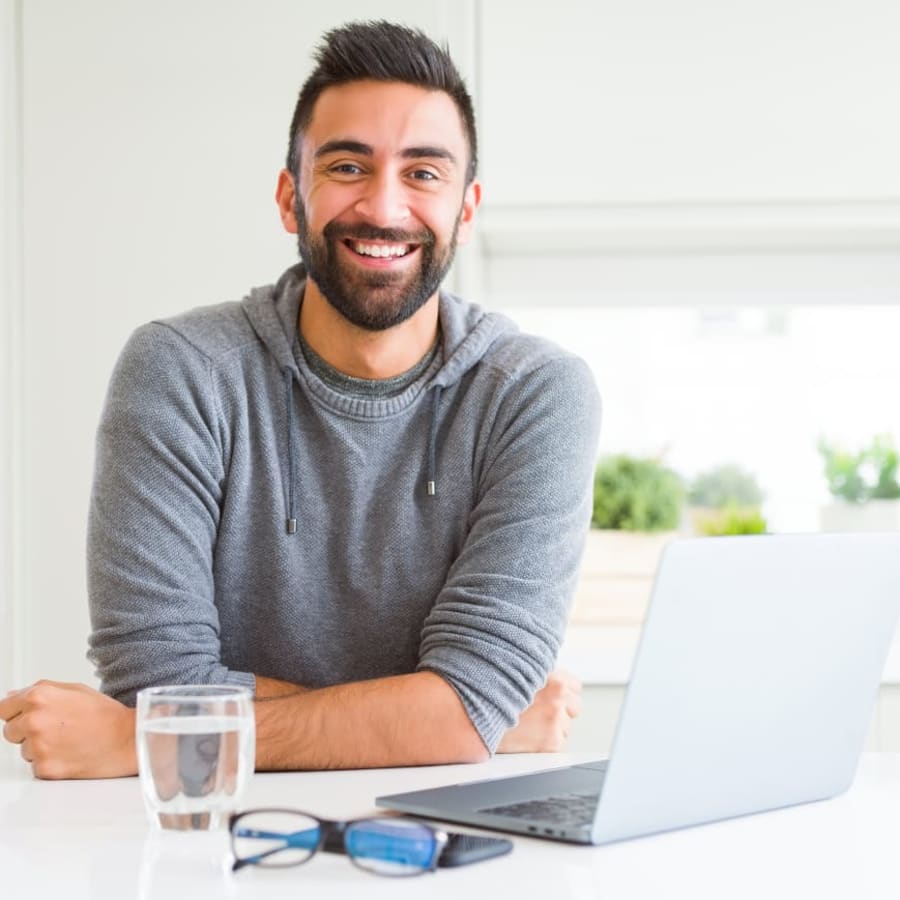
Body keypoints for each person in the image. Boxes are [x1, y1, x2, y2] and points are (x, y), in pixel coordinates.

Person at [0, 20, 600, 779]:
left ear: (466, 212)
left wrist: (145, 740)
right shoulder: (180, 371)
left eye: (423, 173)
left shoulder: (537, 395)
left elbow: (161, 719)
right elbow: (156, 678)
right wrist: (453, 719)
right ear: (292, 197)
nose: (384, 207)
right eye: (348, 166)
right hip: (208, 848)